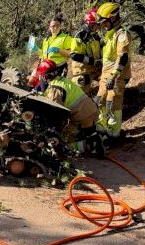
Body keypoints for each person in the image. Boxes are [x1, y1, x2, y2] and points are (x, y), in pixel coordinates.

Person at [36, 59, 104, 156]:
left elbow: (54, 113)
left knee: (62, 140)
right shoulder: (62, 80)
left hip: (82, 118)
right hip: (92, 111)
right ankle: (94, 133)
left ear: (45, 76)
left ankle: (88, 145)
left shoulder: (54, 89)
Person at [95, 2, 131, 138]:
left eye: (105, 22)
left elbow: (123, 57)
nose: (103, 25)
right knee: (100, 101)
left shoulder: (122, 34)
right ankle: (101, 129)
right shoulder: (110, 35)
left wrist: (113, 76)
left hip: (116, 78)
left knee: (113, 105)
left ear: (114, 18)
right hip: (105, 77)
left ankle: (113, 134)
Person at [70, 8, 102, 94]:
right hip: (83, 72)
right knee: (78, 96)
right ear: (90, 24)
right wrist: (93, 61)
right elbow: (74, 55)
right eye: (97, 24)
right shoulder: (79, 36)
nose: (99, 27)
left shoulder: (95, 36)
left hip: (95, 70)